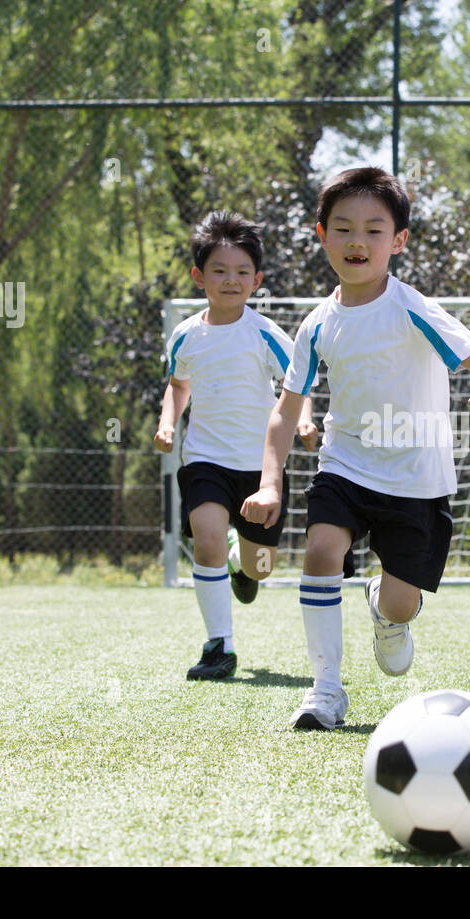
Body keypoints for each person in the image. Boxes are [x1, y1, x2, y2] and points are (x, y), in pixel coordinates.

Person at [241, 167, 470, 731]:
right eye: (342, 229)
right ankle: (325, 691)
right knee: (320, 552)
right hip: (345, 465)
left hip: (416, 478)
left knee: (400, 602)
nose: (357, 242)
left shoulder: (411, 307)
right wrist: (269, 482)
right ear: (322, 235)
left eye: (373, 230)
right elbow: (287, 409)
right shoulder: (317, 325)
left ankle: (388, 613)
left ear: (399, 240)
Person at [155, 210, 317, 681]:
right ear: (198, 276)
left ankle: (239, 562)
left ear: (257, 279)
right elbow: (178, 385)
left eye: (243, 272)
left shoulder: (266, 333)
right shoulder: (185, 333)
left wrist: (305, 422)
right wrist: (168, 422)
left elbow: (297, 387)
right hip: (204, 458)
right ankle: (219, 647)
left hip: (261, 469)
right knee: (205, 538)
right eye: (220, 271)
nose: (231, 280)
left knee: (260, 568)